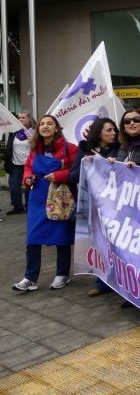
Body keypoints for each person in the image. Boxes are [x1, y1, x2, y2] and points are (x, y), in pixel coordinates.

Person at [12, 115, 79, 292]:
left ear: (57, 128)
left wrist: (59, 175)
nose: (45, 126)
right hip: (37, 197)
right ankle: (30, 278)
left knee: (61, 237)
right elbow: (27, 167)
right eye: (42, 123)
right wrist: (27, 178)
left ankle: (62, 274)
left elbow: (77, 171)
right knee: (32, 238)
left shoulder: (69, 148)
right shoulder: (35, 149)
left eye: (50, 123)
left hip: (60, 198)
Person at [69, 117, 120, 297]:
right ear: (98, 132)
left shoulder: (120, 149)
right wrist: (87, 164)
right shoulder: (84, 150)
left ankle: (120, 280)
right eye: (109, 130)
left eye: (114, 130)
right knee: (99, 243)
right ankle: (102, 280)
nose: (113, 133)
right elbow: (72, 176)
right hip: (93, 206)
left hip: (114, 207)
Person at [4, 110, 35, 215]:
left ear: (29, 119)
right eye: (19, 117)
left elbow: (39, 149)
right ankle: (17, 207)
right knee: (13, 186)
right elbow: (9, 147)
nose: (20, 119)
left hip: (29, 165)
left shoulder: (34, 132)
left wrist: (34, 141)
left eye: (23, 117)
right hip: (15, 164)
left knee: (29, 187)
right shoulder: (15, 132)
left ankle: (29, 206)